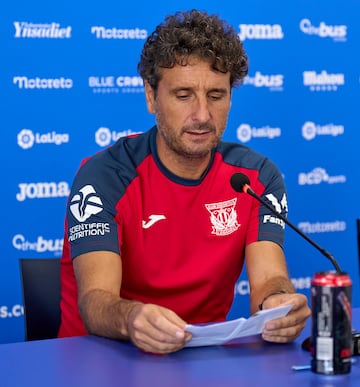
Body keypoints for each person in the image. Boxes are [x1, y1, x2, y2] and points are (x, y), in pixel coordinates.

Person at [58, 9, 311, 354]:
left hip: (203, 361)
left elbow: (268, 279)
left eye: (216, 96)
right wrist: (131, 317)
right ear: (151, 96)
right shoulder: (104, 176)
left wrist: (278, 306)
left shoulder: (255, 178)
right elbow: (95, 301)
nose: (202, 115)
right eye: (183, 95)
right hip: (100, 360)